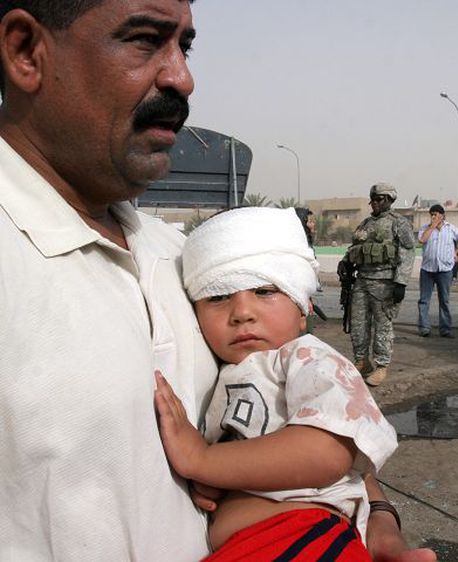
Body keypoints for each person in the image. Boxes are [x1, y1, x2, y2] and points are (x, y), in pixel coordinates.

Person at [0, 3, 434, 560]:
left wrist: (377, 518)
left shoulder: (192, 259)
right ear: (25, 51)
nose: (182, 76)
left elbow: (321, 430)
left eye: (185, 46)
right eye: (143, 40)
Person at [156, 207, 399, 560]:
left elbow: (327, 451)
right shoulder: (229, 372)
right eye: (219, 296)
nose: (242, 312)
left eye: (265, 290)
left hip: (306, 541)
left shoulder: (309, 358)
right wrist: (220, 478)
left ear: (303, 310)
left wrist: (204, 459)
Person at [338, 183, 416, 387]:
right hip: (362, 281)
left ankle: (381, 366)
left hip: (385, 282)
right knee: (358, 324)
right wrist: (346, 260)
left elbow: (408, 252)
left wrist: (401, 282)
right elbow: (357, 247)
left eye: (379, 199)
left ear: (389, 200)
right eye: (373, 198)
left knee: (383, 326)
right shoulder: (366, 223)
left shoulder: (398, 223)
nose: (374, 202)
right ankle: (362, 362)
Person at [417, 204, 458, 338]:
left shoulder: (451, 229)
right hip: (427, 269)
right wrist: (432, 226)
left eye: (437, 214)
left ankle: (445, 328)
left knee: (444, 300)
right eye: (432, 214)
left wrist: (455, 252)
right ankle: (424, 327)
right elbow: (422, 240)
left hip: (445, 269)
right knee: (424, 300)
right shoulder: (425, 229)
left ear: (443, 216)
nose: (434, 216)